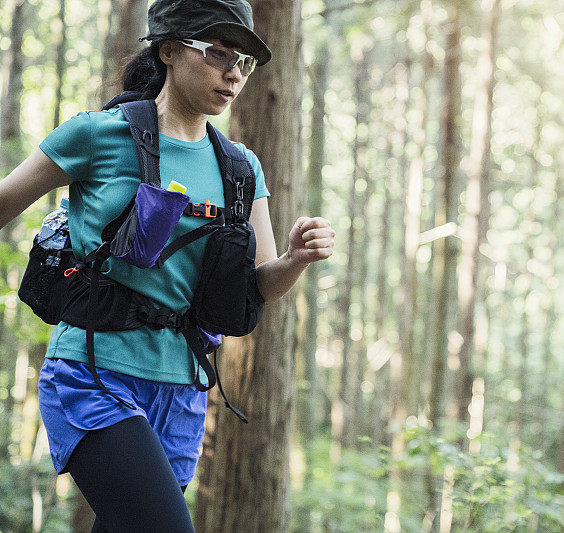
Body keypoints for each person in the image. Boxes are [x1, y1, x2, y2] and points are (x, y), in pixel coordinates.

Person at [0, 0, 335, 530]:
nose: (233, 73)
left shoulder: (240, 167)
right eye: (218, 53)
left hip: (181, 388)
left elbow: (260, 286)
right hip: (95, 372)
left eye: (243, 62)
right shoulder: (97, 134)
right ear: (170, 50)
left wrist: (295, 259)